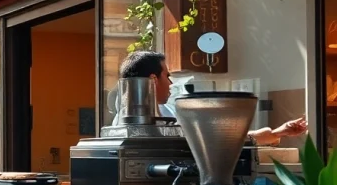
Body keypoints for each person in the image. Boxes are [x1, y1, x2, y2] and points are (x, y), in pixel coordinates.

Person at [114, 51, 308, 144]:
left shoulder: (166, 113)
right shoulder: (130, 123)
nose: (171, 84)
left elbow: (214, 139)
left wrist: (277, 133)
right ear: (153, 80)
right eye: (168, 76)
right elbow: (212, 142)